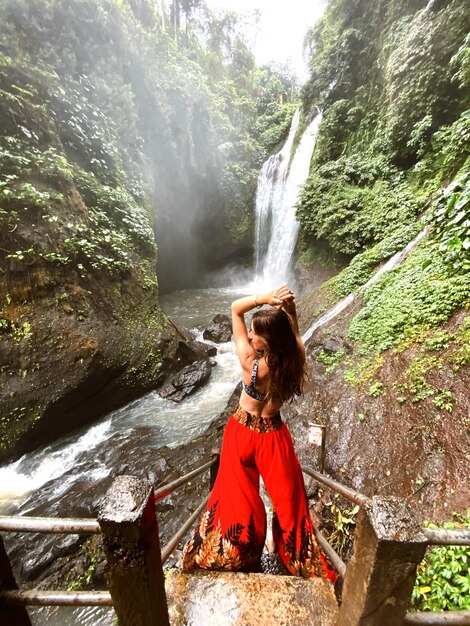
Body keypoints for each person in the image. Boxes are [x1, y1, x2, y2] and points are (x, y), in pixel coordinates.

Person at [182, 285, 336, 581]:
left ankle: (236, 551)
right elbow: (293, 338)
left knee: (235, 495)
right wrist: (289, 311)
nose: (250, 337)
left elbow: (235, 308)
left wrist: (263, 299)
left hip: (240, 432)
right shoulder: (294, 359)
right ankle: (298, 559)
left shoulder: (249, 364)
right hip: (274, 436)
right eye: (251, 332)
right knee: (290, 500)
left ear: (267, 341)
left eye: (254, 333)